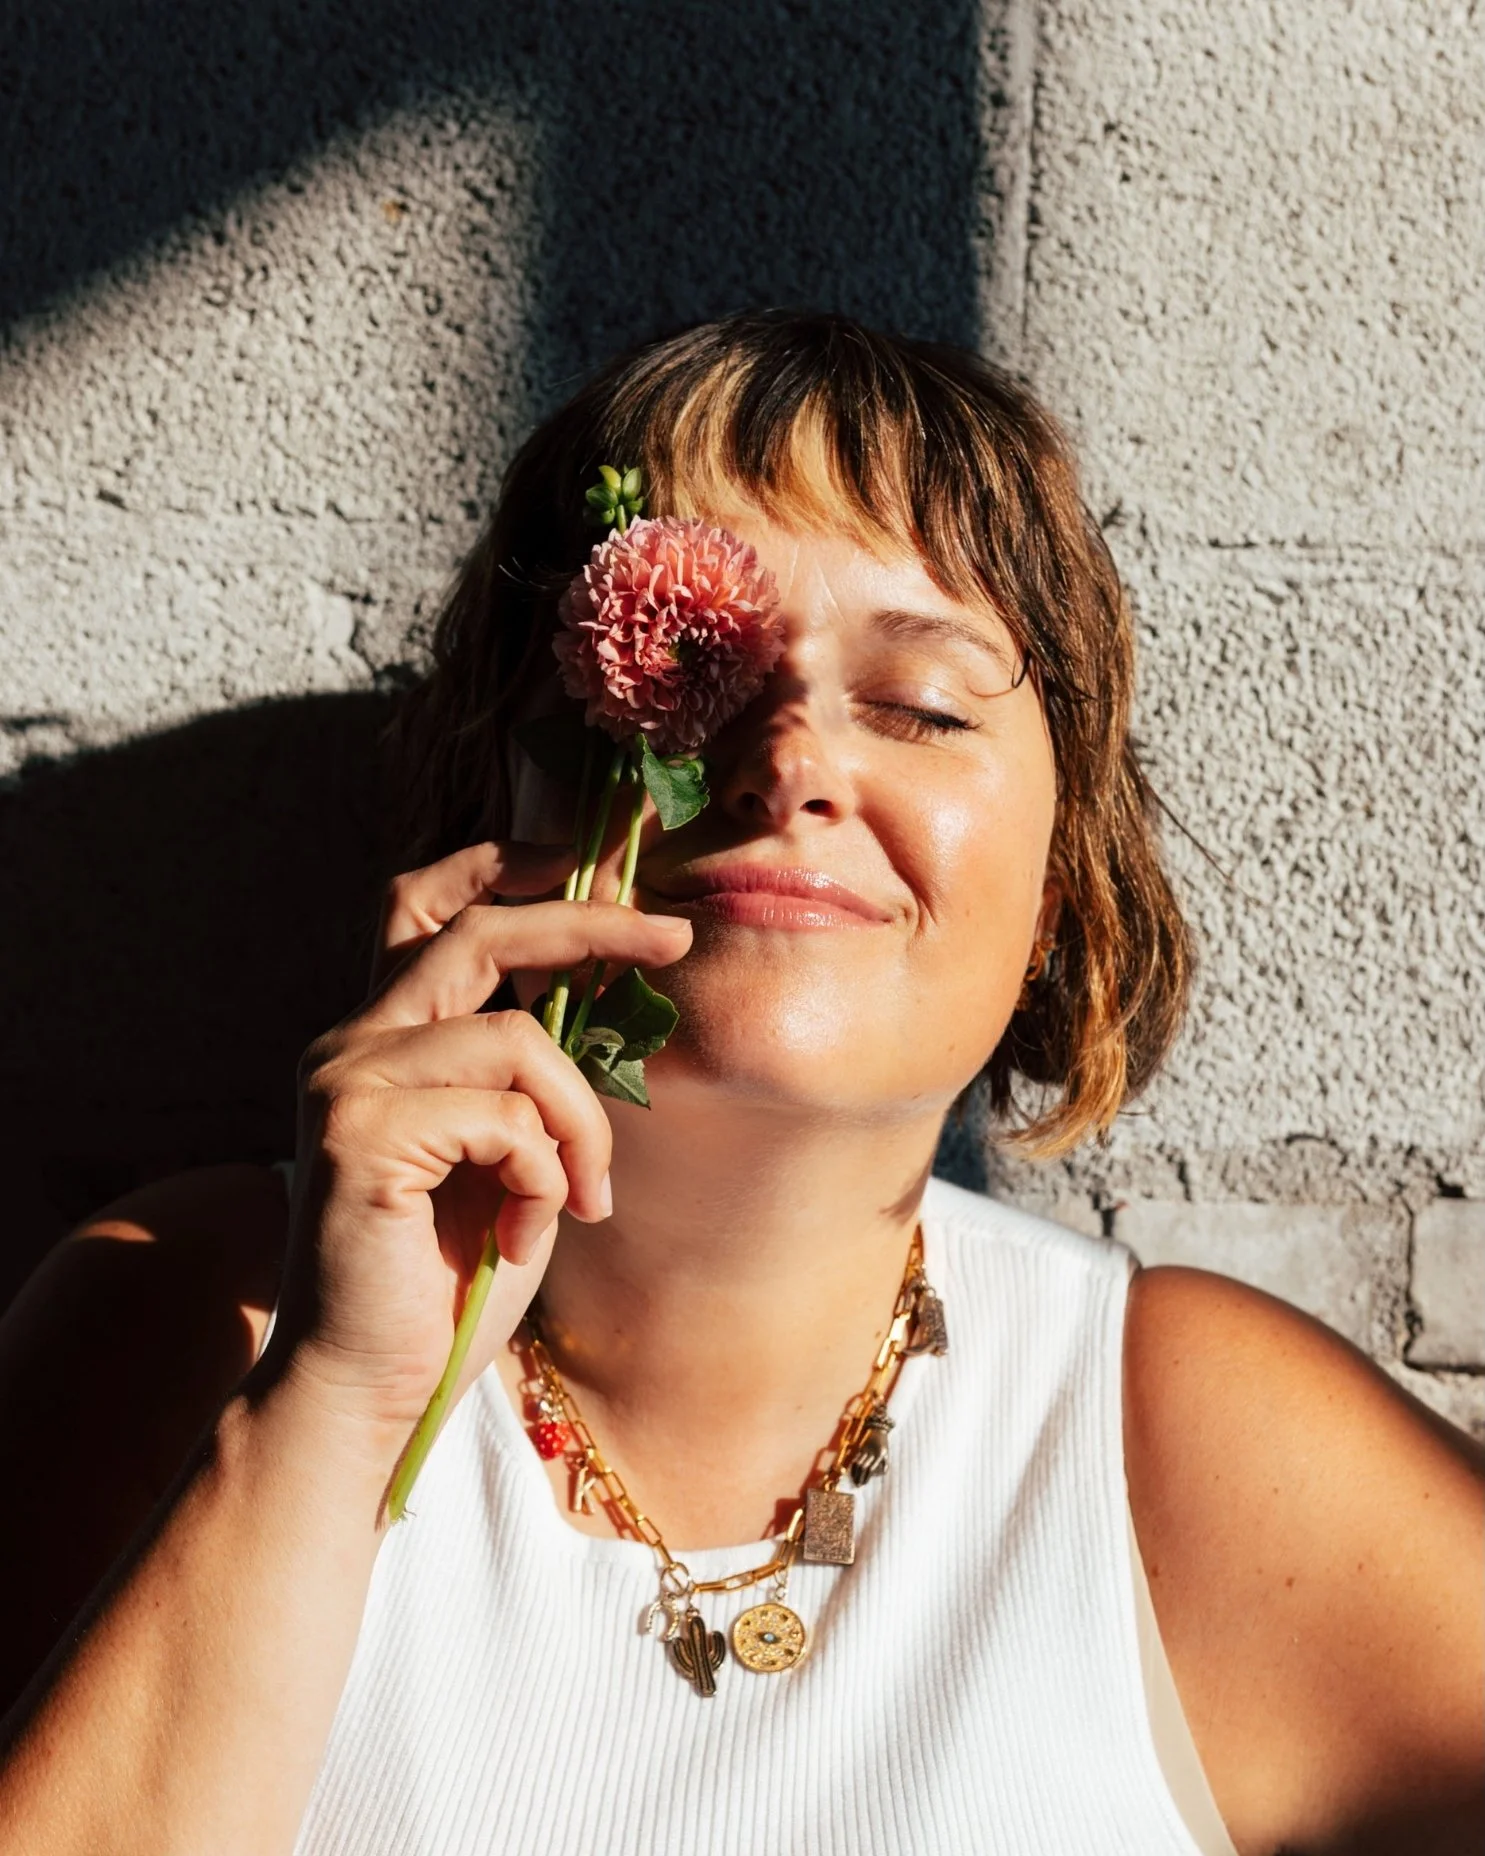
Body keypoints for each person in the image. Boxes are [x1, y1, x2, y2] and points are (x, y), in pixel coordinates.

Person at [0, 311, 1479, 1856]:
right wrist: (334, 1406)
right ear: (489, 803)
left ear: (1060, 886)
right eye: (691, 672)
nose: (790, 761)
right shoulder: (187, 1324)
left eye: (919, 705)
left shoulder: (1185, 1442)